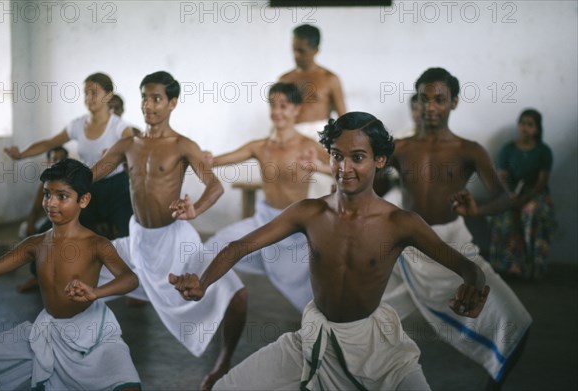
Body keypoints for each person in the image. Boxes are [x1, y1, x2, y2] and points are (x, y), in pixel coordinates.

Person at [170, 112, 490, 390]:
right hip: (314, 337)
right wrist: (203, 281)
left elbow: (468, 267)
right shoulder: (309, 212)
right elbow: (239, 246)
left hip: (377, 347)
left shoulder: (399, 222)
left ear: (380, 160)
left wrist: (473, 287)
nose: (344, 167)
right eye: (337, 155)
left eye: (358, 157)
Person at [377, 67, 533, 389]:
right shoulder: (400, 148)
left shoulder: (468, 150)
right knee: (360, 319)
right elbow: (372, 191)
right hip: (408, 249)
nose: (431, 107)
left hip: (453, 247)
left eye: (439, 99)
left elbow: (504, 199)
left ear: (454, 102)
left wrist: (479, 209)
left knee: (516, 322)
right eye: (424, 99)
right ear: (417, 103)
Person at [91, 71, 247, 391]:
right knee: (82, 267)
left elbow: (215, 186)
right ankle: (84, 356)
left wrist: (196, 209)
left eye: (157, 99)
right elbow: (89, 176)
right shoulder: (128, 143)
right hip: (139, 241)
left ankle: (223, 363)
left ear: (172, 103)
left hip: (175, 240)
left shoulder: (183, 145)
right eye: (145, 98)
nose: (148, 105)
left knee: (237, 295)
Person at [0, 158, 141, 390]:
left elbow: (130, 279)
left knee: (126, 384)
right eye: (47, 194)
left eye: (62, 196)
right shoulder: (34, 245)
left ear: (83, 200)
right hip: (49, 331)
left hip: (93, 334)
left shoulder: (97, 244)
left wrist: (96, 292)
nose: (51, 203)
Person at [204, 82, 330, 312]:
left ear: (296, 110)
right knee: (212, 249)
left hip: (295, 230)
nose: (277, 111)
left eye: (284, 105)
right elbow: (217, 161)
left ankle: (325, 327)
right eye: (273, 105)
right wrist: (201, 157)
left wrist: (318, 167)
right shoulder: (260, 147)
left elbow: (343, 170)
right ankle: (223, 303)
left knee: (313, 292)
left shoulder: (307, 146)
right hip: (264, 221)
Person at [4, 72, 135, 239]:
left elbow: (134, 153)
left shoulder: (120, 127)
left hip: (117, 189)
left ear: (109, 95)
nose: (89, 98)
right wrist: (22, 154)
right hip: (88, 186)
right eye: (86, 93)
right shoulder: (78, 125)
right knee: (48, 232)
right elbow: (48, 143)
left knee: (128, 239)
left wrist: (118, 156)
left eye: (94, 93)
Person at [279, 24, 346, 198]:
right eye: (293, 50)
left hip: (319, 138)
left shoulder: (330, 79)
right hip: (291, 136)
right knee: (285, 179)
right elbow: (278, 112)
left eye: (301, 51)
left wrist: (341, 150)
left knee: (319, 183)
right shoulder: (285, 80)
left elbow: (344, 119)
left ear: (316, 50)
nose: (296, 55)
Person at [489, 109, 556, 280]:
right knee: (504, 215)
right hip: (511, 193)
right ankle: (509, 267)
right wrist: (512, 196)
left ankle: (533, 269)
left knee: (531, 212)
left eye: (530, 124)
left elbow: (542, 182)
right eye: (522, 123)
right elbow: (502, 177)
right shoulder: (507, 150)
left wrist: (525, 198)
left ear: (537, 129)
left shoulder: (543, 151)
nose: (525, 127)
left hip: (535, 195)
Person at [16, 146, 69, 293]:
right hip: (52, 219)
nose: (57, 162)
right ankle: (38, 276)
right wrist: (30, 224)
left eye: (61, 160)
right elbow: (35, 208)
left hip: (68, 220)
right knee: (29, 230)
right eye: (54, 159)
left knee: (43, 233)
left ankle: (54, 275)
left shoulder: (72, 180)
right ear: (48, 162)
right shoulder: (46, 182)